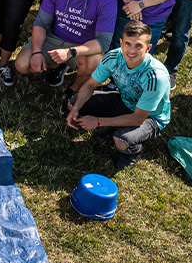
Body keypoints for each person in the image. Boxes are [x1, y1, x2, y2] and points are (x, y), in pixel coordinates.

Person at [14, 0, 117, 103]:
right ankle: (57, 65)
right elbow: (41, 23)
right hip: (54, 38)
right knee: (21, 65)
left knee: (95, 61)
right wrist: (36, 52)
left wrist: (71, 52)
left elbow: (102, 43)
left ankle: (74, 89)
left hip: (81, 45)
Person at [67, 21, 172, 169]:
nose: (131, 51)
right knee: (73, 102)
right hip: (125, 101)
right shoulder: (113, 57)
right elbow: (90, 84)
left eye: (138, 46)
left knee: (121, 140)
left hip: (150, 117)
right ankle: (115, 127)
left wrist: (97, 122)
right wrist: (76, 109)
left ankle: (134, 152)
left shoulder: (155, 77)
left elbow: (137, 118)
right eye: (128, 44)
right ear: (121, 43)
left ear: (148, 48)